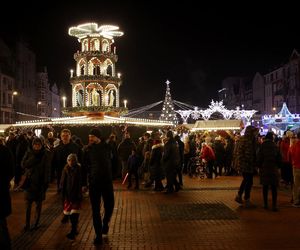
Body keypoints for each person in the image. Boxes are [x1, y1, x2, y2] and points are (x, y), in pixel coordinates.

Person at [82, 128, 114, 245]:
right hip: (94, 182)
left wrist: (112, 175)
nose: (90, 138)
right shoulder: (87, 150)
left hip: (107, 182)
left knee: (110, 206)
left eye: (92, 137)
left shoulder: (107, 147)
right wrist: (84, 183)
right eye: (89, 137)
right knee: (95, 209)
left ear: (98, 137)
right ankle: (98, 234)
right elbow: (84, 168)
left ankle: (105, 223)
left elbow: (114, 161)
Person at [21, 137, 51, 231]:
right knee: (28, 207)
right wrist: (33, 158)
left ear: (41, 145)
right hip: (29, 183)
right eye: (35, 144)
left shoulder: (45, 154)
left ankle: (36, 223)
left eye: (38, 145)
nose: (37, 146)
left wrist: (46, 183)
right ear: (32, 145)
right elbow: (23, 164)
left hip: (40, 183)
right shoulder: (29, 153)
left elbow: (47, 169)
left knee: (38, 206)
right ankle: (27, 224)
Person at [257, 132, 282, 211]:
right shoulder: (275, 146)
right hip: (273, 168)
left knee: (265, 187)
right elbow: (279, 158)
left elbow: (259, 158)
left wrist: (259, 166)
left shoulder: (262, 146)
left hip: (264, 168)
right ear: (272, 138)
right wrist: (279, 167)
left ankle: (265, 204)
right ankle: (274, 205)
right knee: (274, 188)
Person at [60, 154, 83, 240]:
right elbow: (63, 181)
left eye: (72, 160)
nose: (70, 162)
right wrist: (63, 192)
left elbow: (81, 181)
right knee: (70, 213)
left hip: (76, 195)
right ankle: (74, 229)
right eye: (69, 160)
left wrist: (80, 192)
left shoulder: (79, 169)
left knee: (74, 214)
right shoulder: (65, 169)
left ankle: (73, 230)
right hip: (68, 195)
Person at [234, 126, 257, 208]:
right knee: (249, 181)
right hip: (247, 164)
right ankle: (246, 199)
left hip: (242, 163)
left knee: (246, 180)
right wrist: (254, 163)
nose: (256, 133)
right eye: (254, 132)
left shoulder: (243, 139)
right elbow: (249, 154)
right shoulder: (248, 141)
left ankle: (240, 196)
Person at [0, 137, 14, 249]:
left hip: (1, 191)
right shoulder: (5, 150)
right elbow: (11, 170)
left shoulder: (4, 151)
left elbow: (10, 170)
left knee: (1, 224)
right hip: (3, 189)